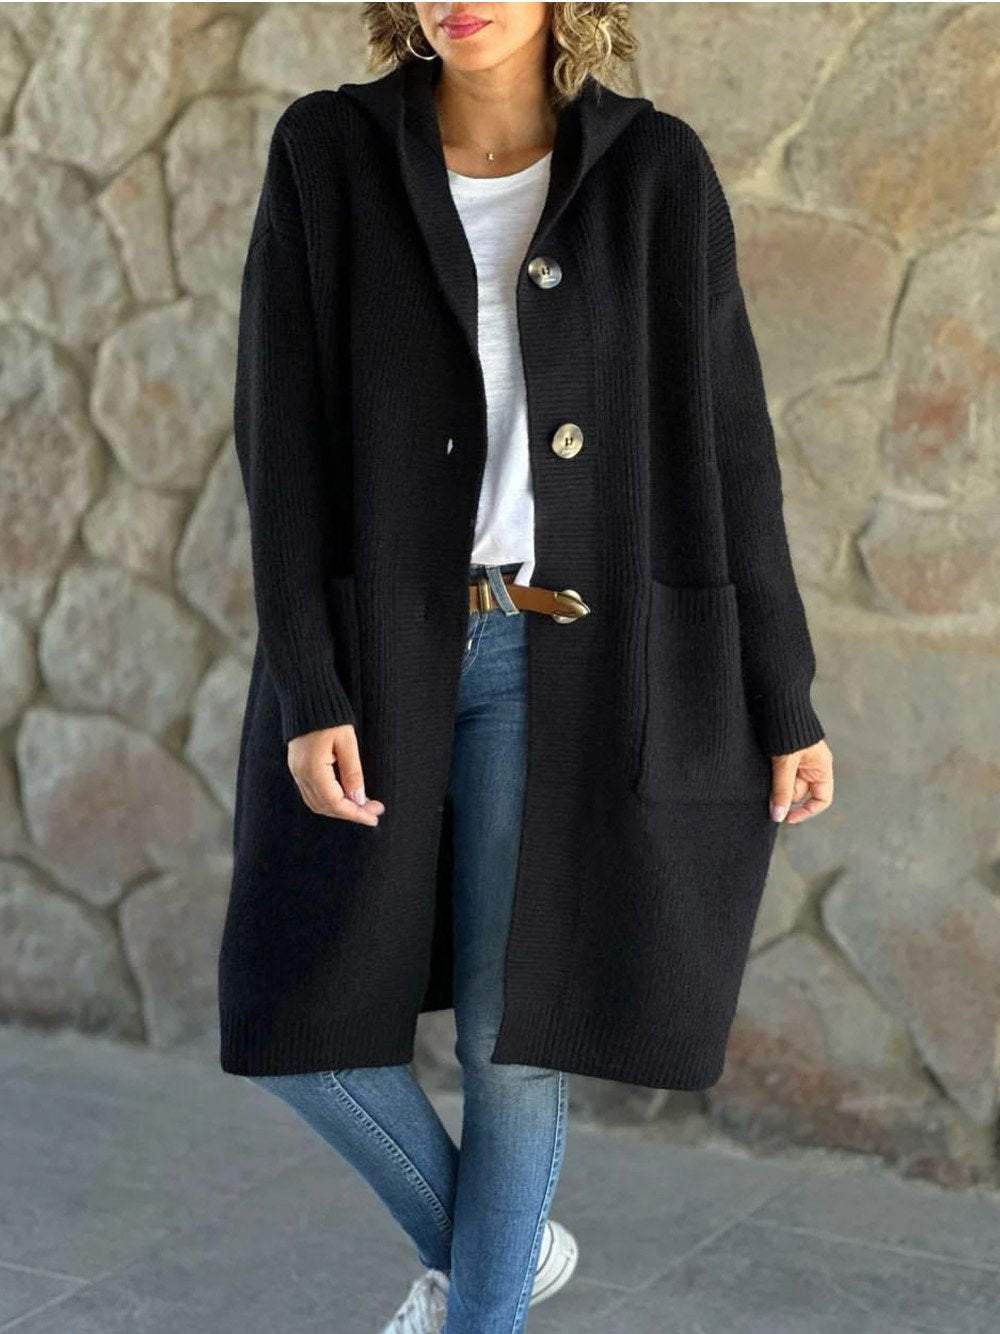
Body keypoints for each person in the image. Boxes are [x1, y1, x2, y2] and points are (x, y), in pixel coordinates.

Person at [218, 5, 835, 1333]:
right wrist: (310, 685)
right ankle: (499, 1249)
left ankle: (481, 1306)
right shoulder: (328, 153)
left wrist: (783, 694)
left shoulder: (655, 172)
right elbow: (281, 441)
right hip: (380, 657)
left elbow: (732, 449)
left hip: (566, 668)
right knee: (294, 1022)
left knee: (513, 1044)